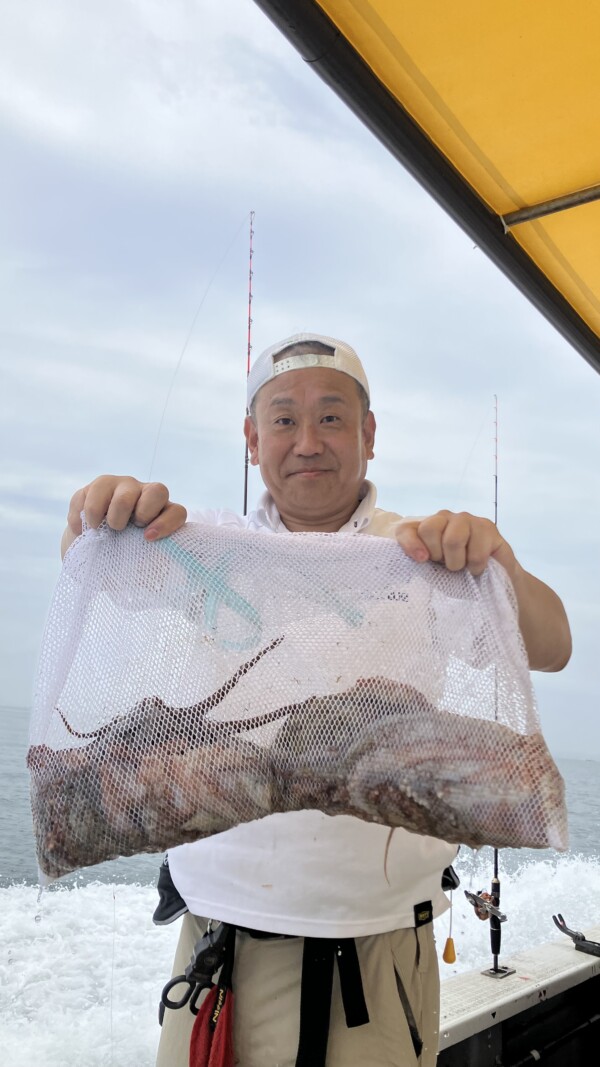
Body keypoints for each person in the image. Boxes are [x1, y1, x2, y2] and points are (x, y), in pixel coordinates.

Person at [62, 333, 572, 1067]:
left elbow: (552, 645)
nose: (307, 441)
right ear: (251, 438)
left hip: (377, 954)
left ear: (369, 434)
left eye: (332, 418)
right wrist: (95, 517)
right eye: (283, 419)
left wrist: (502, 567)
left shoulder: (426, 550)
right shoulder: (198, 545)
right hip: (219, 954)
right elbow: (93, 566)